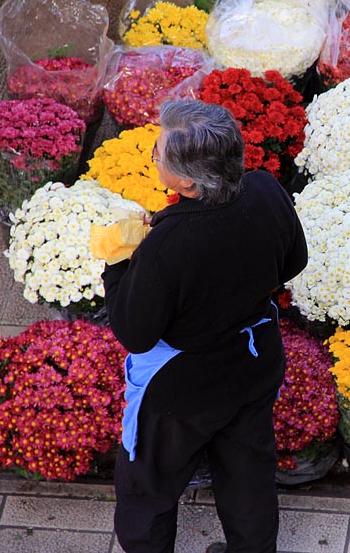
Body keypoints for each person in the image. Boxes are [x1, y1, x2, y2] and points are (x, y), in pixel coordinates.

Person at [103, 99, 308, 553]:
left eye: (158, 155)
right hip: (253, 363)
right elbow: (294, 261)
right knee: (247, 473)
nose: (154, 157)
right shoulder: (265, 190)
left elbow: (136, 333)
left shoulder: (167, 244)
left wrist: (119, 264)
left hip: (184, 391)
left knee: (147, 490)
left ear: (187, 180)